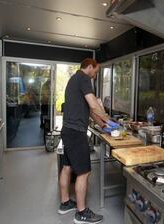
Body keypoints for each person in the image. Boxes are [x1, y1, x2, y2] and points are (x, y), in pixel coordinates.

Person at [58, 58, 119, 224]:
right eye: (96, 71)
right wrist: (109, 119)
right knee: (84, 172)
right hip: (76, 133)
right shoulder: (84, 78)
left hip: (67, 131)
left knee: (67, 167)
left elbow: (88, 110)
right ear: (90, 67)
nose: (95, 75)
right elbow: (93, 104)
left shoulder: (73, 79)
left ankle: (65, 203)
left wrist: (102, 124)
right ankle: (82, 212)